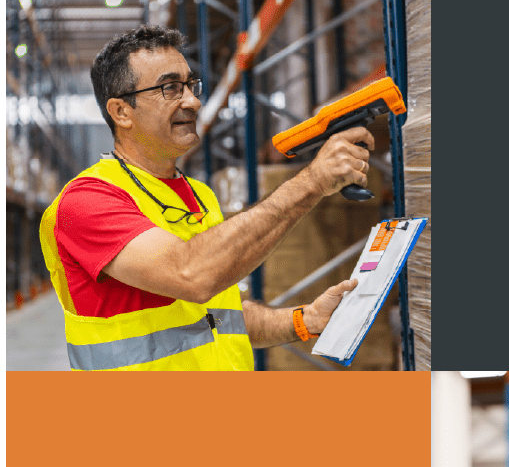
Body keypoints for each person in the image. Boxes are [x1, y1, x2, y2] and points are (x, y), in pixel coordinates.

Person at [37, 26, 374, 370]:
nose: (193, 101)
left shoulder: (200, 195)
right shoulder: (87, 201)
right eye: (170, 88)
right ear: (122, 112)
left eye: (190, 85)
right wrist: (311, 182)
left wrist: (305, 319)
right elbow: (190, 275)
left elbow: (215, 317)